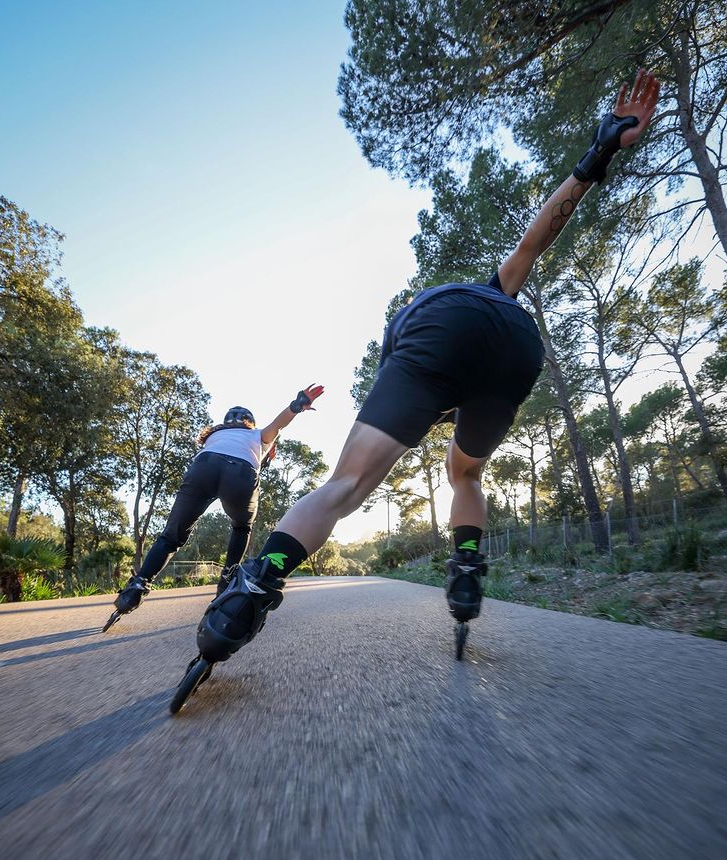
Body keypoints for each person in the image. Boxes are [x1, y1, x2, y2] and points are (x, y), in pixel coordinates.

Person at [192, 70, 660, 665]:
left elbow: (526, 250)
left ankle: (256, 585)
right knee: (463, 472)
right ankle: (465, 567)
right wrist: (599, 154)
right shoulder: (499, 293)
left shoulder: (409, 347)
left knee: (344, 487)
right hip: (516, 341)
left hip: (439, 325)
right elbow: (533, 244)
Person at [106, 384, 324, 622]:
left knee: (171, 537)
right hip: (240, 474)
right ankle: (226, 584)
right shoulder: (256, 434)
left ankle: (136, 587)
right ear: (249, 422)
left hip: (204, 468)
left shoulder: (213, 435)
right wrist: (297, 405)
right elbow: (277, 424)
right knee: (241, 527)